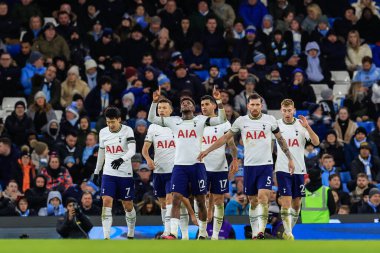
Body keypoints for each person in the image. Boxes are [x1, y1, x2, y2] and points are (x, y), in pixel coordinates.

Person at [198, 93, 295, 239]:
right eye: (252, 105)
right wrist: (207, 150)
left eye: (257, 105)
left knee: (263, 197)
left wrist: (290, 158)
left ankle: (260, 231)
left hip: (266, 165)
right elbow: (226, 138)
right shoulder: (241, 121)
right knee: (253, 200)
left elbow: (280, 140)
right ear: (248, 105)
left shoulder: (270, 120)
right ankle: (255, 231)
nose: (255, 107)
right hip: (249, 167)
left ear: (261, 106)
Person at [148, 86, 227, 240]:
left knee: (200, 200)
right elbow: (152, 119)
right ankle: (172, 233)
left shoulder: (201, 120)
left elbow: (222, 119)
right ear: (180, 108)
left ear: (193, 107)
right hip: (179, 167)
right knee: (176, 197)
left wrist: (219, 101)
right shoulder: (173, 121)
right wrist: (154, 102)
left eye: (188, 103)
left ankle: (203, 232)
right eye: (183, 103)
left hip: (197, 166)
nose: (185, 104)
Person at [275, 99, 320, 240]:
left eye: (290, 110)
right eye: (284, 110)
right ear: (281, 110)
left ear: (294, 110)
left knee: (296, 203)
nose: (287, 113)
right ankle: (288, 233)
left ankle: (288, 230)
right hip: (282, 168)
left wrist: (307, 127)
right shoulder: (276, 125)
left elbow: (316, 142)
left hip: (299, 169)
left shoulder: (301, 125)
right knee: (286, 201)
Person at [93, 107, 137, 240]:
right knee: (106, 201)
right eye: (108, 122)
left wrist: (121, 159)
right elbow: (101, 152)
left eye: (113, 122)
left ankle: (131, 231)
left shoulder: (127, 130)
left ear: (119, 120)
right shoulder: (103, 132)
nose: (110, 125)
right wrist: (97, 171)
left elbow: (132, 150)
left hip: (125, 173)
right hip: (109, 173)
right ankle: (106, 237)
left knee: (127, 204)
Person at [198, 95, 237, 240]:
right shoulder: (197, 122)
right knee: (201, 199)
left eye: (207, 104)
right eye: (202, 104)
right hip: (201, 167)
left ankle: (215, 235)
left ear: (214, 106)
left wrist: (235, 159)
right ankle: (202, 232)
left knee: (219, 201)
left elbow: (231, 145)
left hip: (220, 167)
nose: (204, 107)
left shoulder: (224, 124)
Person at [142, 98, 177, 237]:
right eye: (159, 108)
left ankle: (170, 232)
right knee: (163, 203)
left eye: (164, 108)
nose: (161, 110)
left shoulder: (176, 124)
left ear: (171, 110)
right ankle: (166, 229)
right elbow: (145, 149)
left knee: (170, 200)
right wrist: (148, 159)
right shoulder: (153, 127)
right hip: (158, 171)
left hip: (173, 170)